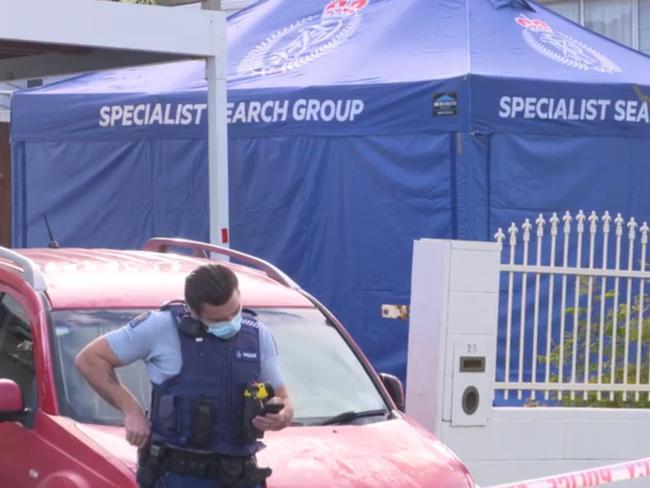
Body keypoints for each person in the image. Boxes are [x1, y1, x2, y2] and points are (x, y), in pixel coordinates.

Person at [76, 263, 293, 488]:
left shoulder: (258, 335)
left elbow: (284, 400)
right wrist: (130, 409)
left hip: (240, 475)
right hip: (180, 474)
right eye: (218, 320)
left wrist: (282, 416)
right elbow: (90, 359)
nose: (230, 323)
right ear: (193, 310)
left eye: (235, 311)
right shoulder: (160, 327)